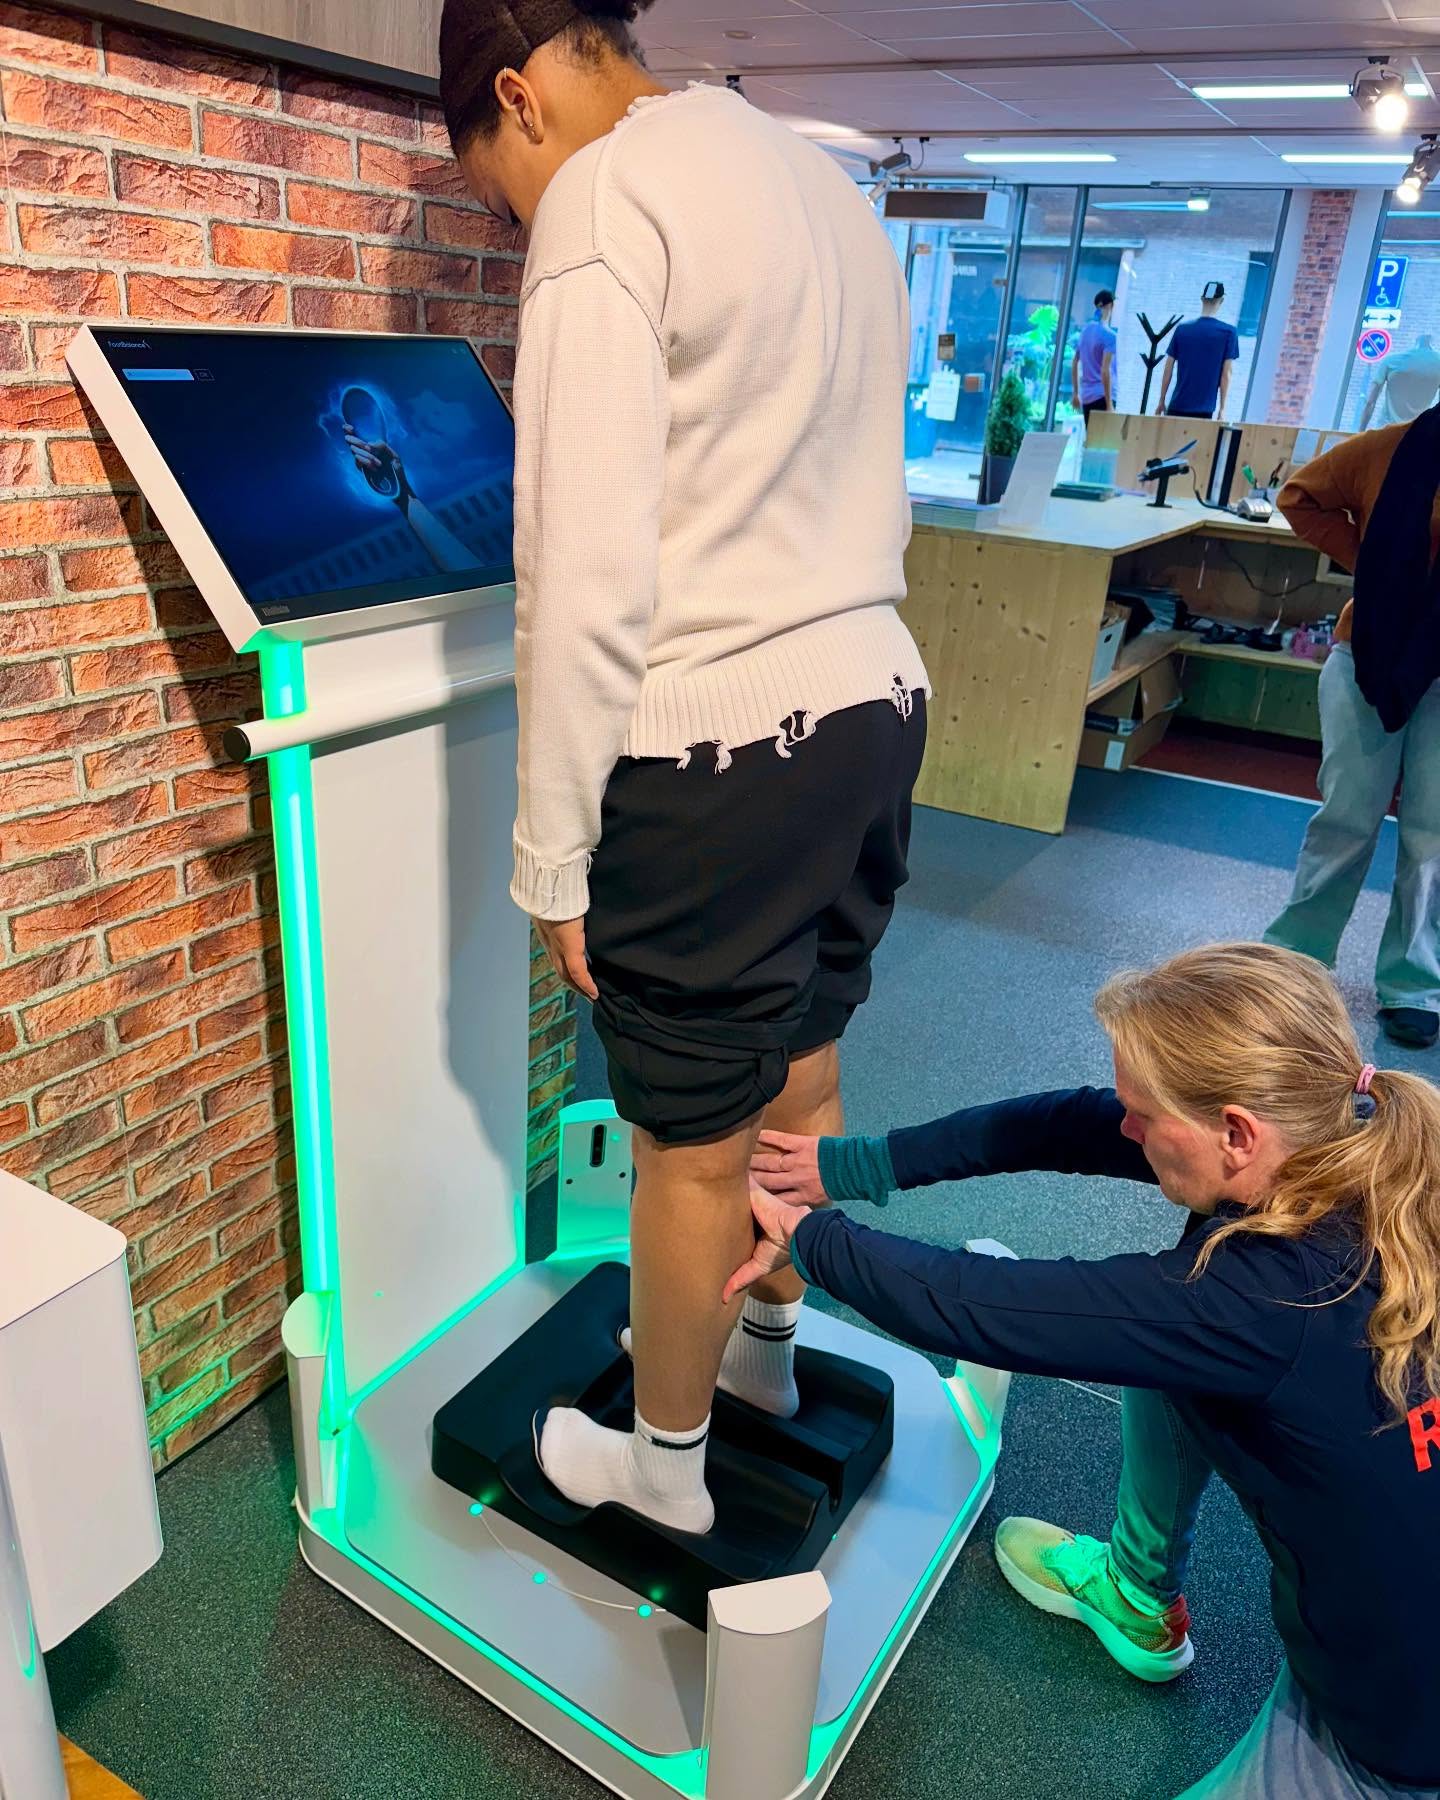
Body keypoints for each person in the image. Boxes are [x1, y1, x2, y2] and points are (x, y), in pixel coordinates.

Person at [437, 0, 929, 1531]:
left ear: (520, 95)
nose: (518, 217)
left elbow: (580, 573)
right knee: (804, 1070)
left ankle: (662, 1475)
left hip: (720, 749)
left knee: (689, 1146)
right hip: (874, 704)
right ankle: (764, 1359)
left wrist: (550, 856)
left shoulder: (603, 197)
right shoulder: (820, 183)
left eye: (495, 192)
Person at [732, 943, 1440, 1799]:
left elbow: (998, 1307)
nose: (1126, 1129)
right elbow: (1065, 1124)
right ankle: (1137, 1600)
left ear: (1236, 1134)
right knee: (1166, 1356)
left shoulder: (1263, 1303)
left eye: (1143, 1114)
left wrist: (809, 1238)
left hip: (1393, 1736)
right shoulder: (1354, 1139)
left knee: (1152, 1334)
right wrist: (861, 1163)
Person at [1265, 422, 1440, 1049]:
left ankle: (1414, 985)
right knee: (1346, 818)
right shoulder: (1392, 447)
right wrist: (1375, 565)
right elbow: (1299, 497)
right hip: (1368, 656)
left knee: (1432, 835)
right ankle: (1297, 961)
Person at [1156, 281, 1240, 421]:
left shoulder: (1182, 329)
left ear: (1202, 299)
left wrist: (1162, 400)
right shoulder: (1229, 333)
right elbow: (1226, 374)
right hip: (1203, 411)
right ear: (1221, 301)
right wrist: (1222, 409)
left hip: (1176, 407)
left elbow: (1168, 367)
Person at [1359, 334, 1440, 431]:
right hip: (1416, 431)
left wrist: (1360, 432)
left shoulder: (1392, 361)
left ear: (1416, 341)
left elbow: (1370, 402)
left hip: (1386, 430)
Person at [1072, 288, 1116, 426]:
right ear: (1111, 305)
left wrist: (1076, 393)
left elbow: (1075, 362)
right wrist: (1109, 405)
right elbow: (1105, 370)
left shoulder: (1085, 331)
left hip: (1086, 397)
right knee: (1104, 439)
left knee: (1091, 436)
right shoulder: (1110, 336)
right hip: (1103, 396)